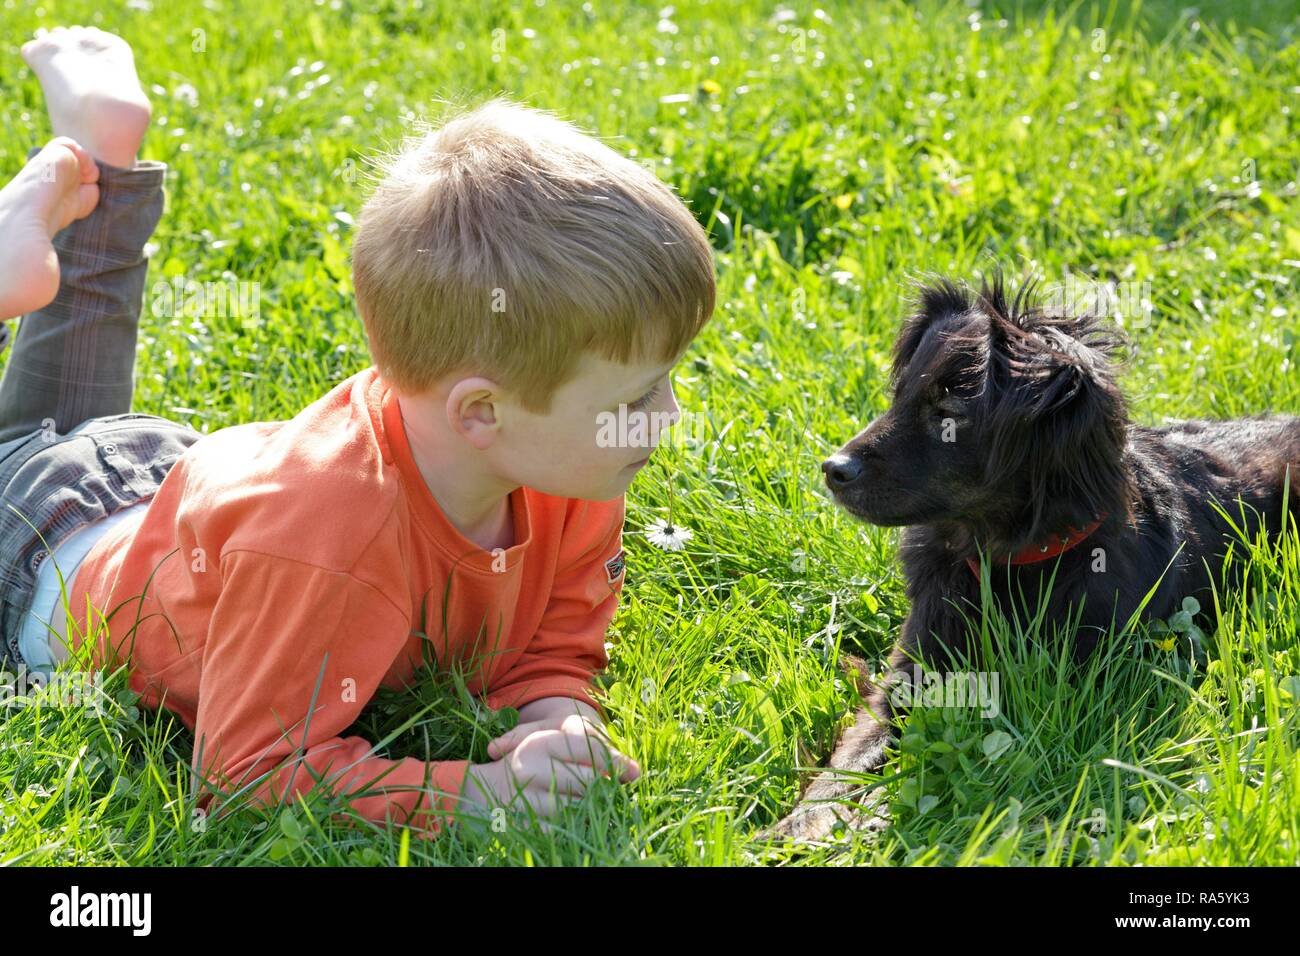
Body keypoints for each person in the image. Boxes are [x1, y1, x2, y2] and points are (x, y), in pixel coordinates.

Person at [0, 26, 716, 835]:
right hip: (35, 558)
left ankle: (104, 155)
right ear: (480, 411)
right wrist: (478, 796)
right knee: (22, 452)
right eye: (642, 393)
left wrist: (559, 724)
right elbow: (241, 775)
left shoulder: (568, 467)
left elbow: (551, 643)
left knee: (64, 424)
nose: (668, 417)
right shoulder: (329, 540)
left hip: (163, 485)